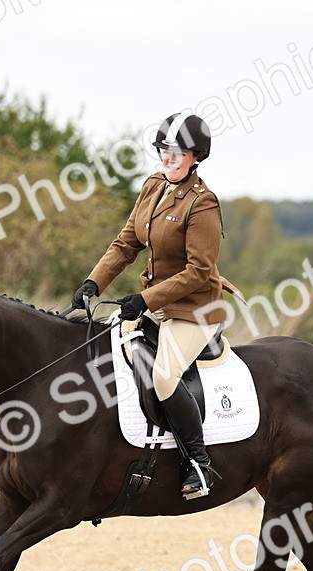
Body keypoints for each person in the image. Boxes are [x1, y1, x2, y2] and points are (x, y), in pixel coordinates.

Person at [71, 112, 240, 499]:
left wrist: (144, 300)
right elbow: (126, 243)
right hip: (155, 305)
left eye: (178, 152)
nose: (169, 157)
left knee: (164, 374)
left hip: (193, 309)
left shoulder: (204, 203)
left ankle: (198, 462)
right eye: (164, 149)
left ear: (196, 156)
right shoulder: (152, 187)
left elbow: (199, 271)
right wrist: (93, 282)